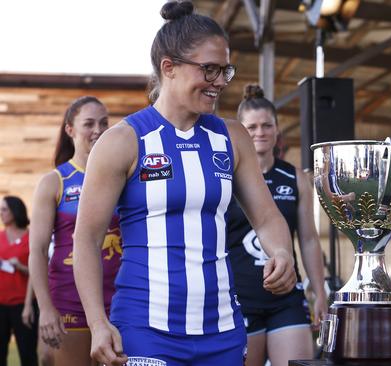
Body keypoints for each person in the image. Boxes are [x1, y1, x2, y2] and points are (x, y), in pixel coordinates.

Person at [72, 2, 296, 366]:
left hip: (223, 329)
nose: (221, 82)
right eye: (209, 69)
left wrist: (281, 252)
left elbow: (267, 218)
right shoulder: (122, 141)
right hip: (144, 329)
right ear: (169, 68)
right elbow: (86, 239)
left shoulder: (233, 137)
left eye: (225, 70)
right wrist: (98, 323)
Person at [228, 85, 328, 366]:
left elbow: (308, 239)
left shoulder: (294, 177)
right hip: (240, 296)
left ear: (276, 129)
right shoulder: (225, 176)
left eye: (266, 125)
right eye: (252, 127)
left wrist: (319, 292)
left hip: (285, 297)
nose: (259, 132)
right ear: (240, 131)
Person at [28, 96, 120, 365]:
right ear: (70, 130)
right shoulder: (54, 182)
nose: (98, 130)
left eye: (104, 123)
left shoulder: (122, 178)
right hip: (70, 301)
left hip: (120, 301)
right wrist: (45, 308)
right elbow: (37, 251)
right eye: (88, 123)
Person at [0, 195, 37, 366]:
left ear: (15, 210)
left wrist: (20, 266)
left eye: (4, 209)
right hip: (1, 305)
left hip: (24, 305)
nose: (1, 213)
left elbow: (37, 272)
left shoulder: (31, 238)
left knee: (27, 354)